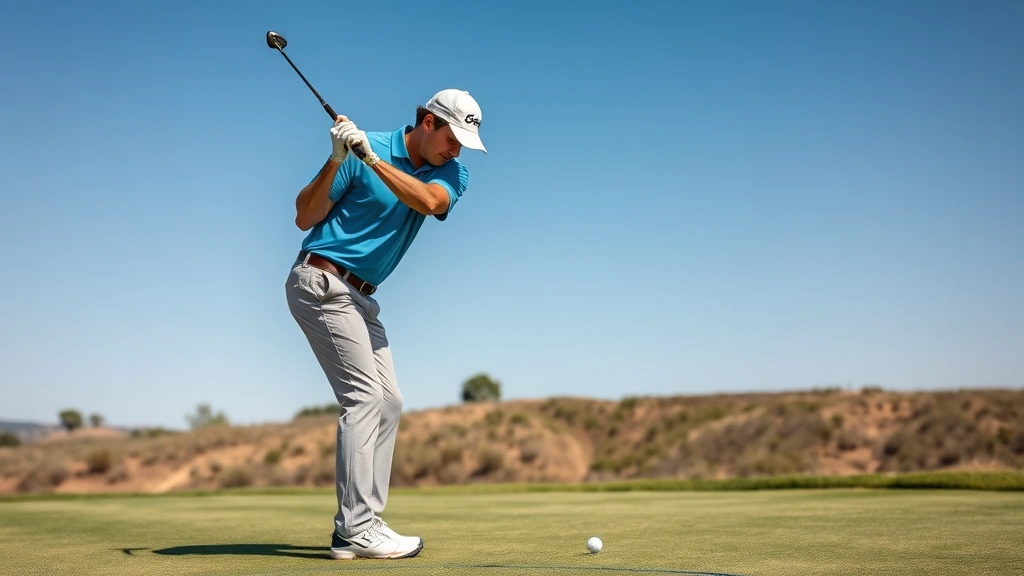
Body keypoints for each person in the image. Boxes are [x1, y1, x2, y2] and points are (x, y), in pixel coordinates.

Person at [285, 89, 486, 560]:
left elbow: (429, 202)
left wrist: (372, 161)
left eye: (463, 144)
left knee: (389, 401)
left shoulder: (450, 173)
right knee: (364, 398)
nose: (455, 151)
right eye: (452, 139)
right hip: (322, 281)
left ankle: (362, 524)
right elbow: (304, 216)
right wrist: (337, 159)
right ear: (428, 122)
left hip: (362, 298)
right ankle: (355, 527)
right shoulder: (360, 148)